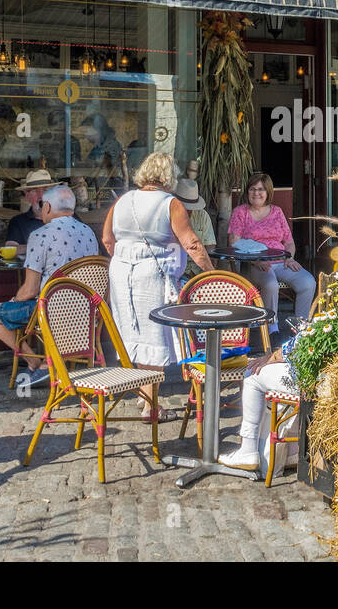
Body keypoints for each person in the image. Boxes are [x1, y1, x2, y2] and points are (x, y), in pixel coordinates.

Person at [102, 152, 213, 388]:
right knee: (153, 338)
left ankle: (146, 397)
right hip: (152, 274)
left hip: (121, 273)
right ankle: (149, 404)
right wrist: (210, 274)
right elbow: (191, 243)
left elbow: (107, 239)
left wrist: (125, 259)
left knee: (133, 333)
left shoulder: (122, 200)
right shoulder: (170, 203)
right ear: (169, 176)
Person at [0, 184, 100, 391]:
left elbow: (29, 290)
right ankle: (49, 362)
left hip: (51, 312)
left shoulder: (41, 235)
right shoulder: (88, 231)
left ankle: (36, 363)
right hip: (87, 312)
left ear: (46, 207)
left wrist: (13, 301)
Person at [228, 173, 316, 336]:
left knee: (308, 282)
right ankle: (271, 330)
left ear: (268, 192)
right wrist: (256, 261)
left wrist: (289, 257)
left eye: (261, 189)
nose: (256, 193)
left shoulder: (277, 212)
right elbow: (234, 242)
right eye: (252, 189)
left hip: (281, 261)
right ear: (247, 192)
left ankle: (300, 328)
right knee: (270, 284)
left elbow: (289, 242)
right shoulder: (241, 212)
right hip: (253, 264)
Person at [217, 340, 296, 472]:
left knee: (252, 375)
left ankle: (248, 448)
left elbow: (306, 341)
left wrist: (274, 357)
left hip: (310, 378)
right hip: (327, 376)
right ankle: (293, 450)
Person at [5, 170, 63, 252]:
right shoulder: (19, 221)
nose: (41, 196)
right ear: (27, 195)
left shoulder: (67, 217)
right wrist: (41, 247)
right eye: (35, 191)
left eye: (45, 190)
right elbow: (10, 249)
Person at [175, 177, 215, 278]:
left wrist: (210, 275)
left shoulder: (202, 216)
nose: (189, 210)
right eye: (186, 207)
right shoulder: (169, 216)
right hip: (176, 271)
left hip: (199, 272)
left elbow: (210, 246)